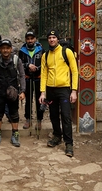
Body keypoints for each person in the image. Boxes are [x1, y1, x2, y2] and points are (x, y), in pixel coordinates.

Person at [39, 29, 79, 157]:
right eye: (49, 37)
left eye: (54, 37)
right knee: (53, 115)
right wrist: (42, 93)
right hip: (50, 89)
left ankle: (69, 144)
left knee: (66, 116)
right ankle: (57, 136)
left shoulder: (66, 52)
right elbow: (44, 74)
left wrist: (74, 91)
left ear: (58, 39)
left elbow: (75, 71)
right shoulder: (45, 55)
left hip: (64, 89)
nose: (51, 39)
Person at [0, 39, 25, 148]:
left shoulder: (16, 60)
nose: (5, 50)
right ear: (0, 49)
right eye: (3, 48)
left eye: (7, 48)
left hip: (13, 90)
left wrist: (22, 91)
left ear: (10, 49)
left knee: (14, 113)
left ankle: (15, 134)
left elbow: (22, 75)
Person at [18, 31, 45, 130]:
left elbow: (45, 63)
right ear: (25, 39)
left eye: (32, 38)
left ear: (35, 39)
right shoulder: (22, 50)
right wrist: (27, 65)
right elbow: (19, 63)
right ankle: (28, 119)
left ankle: (39, 120)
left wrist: (37, 68)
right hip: (27, 78)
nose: (30, 40)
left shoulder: (41, 50)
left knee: (39, 100)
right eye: (28, 38)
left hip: (38, 78)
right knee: (28, 100)